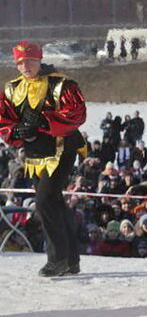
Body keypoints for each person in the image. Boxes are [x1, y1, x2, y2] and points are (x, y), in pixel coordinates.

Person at [0, 41, 87, 276]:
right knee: (55, 203)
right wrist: (15, 132)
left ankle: (56, 259)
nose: (25, 66)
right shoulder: (11, 88)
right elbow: (4, 119)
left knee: (44, 202)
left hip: (62, 150)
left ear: (39, 60)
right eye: (20, 62)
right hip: (34, 156)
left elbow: (77, 113)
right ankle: (71, 261)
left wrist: (43, 122)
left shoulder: (62, 84)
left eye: (29, 61)